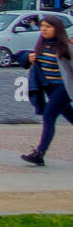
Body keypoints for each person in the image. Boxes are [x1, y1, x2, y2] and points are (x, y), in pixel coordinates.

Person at [20, 15, 73, 166]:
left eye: (48, 26)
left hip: (64, 88)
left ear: (57, 29)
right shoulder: (41, 45)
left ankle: (39, 154)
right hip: (49, 88)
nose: (44, 29)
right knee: (70, 115)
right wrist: (28, 58)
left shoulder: (66, 47)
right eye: (42, 26)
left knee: (49, 116)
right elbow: (24, 59)